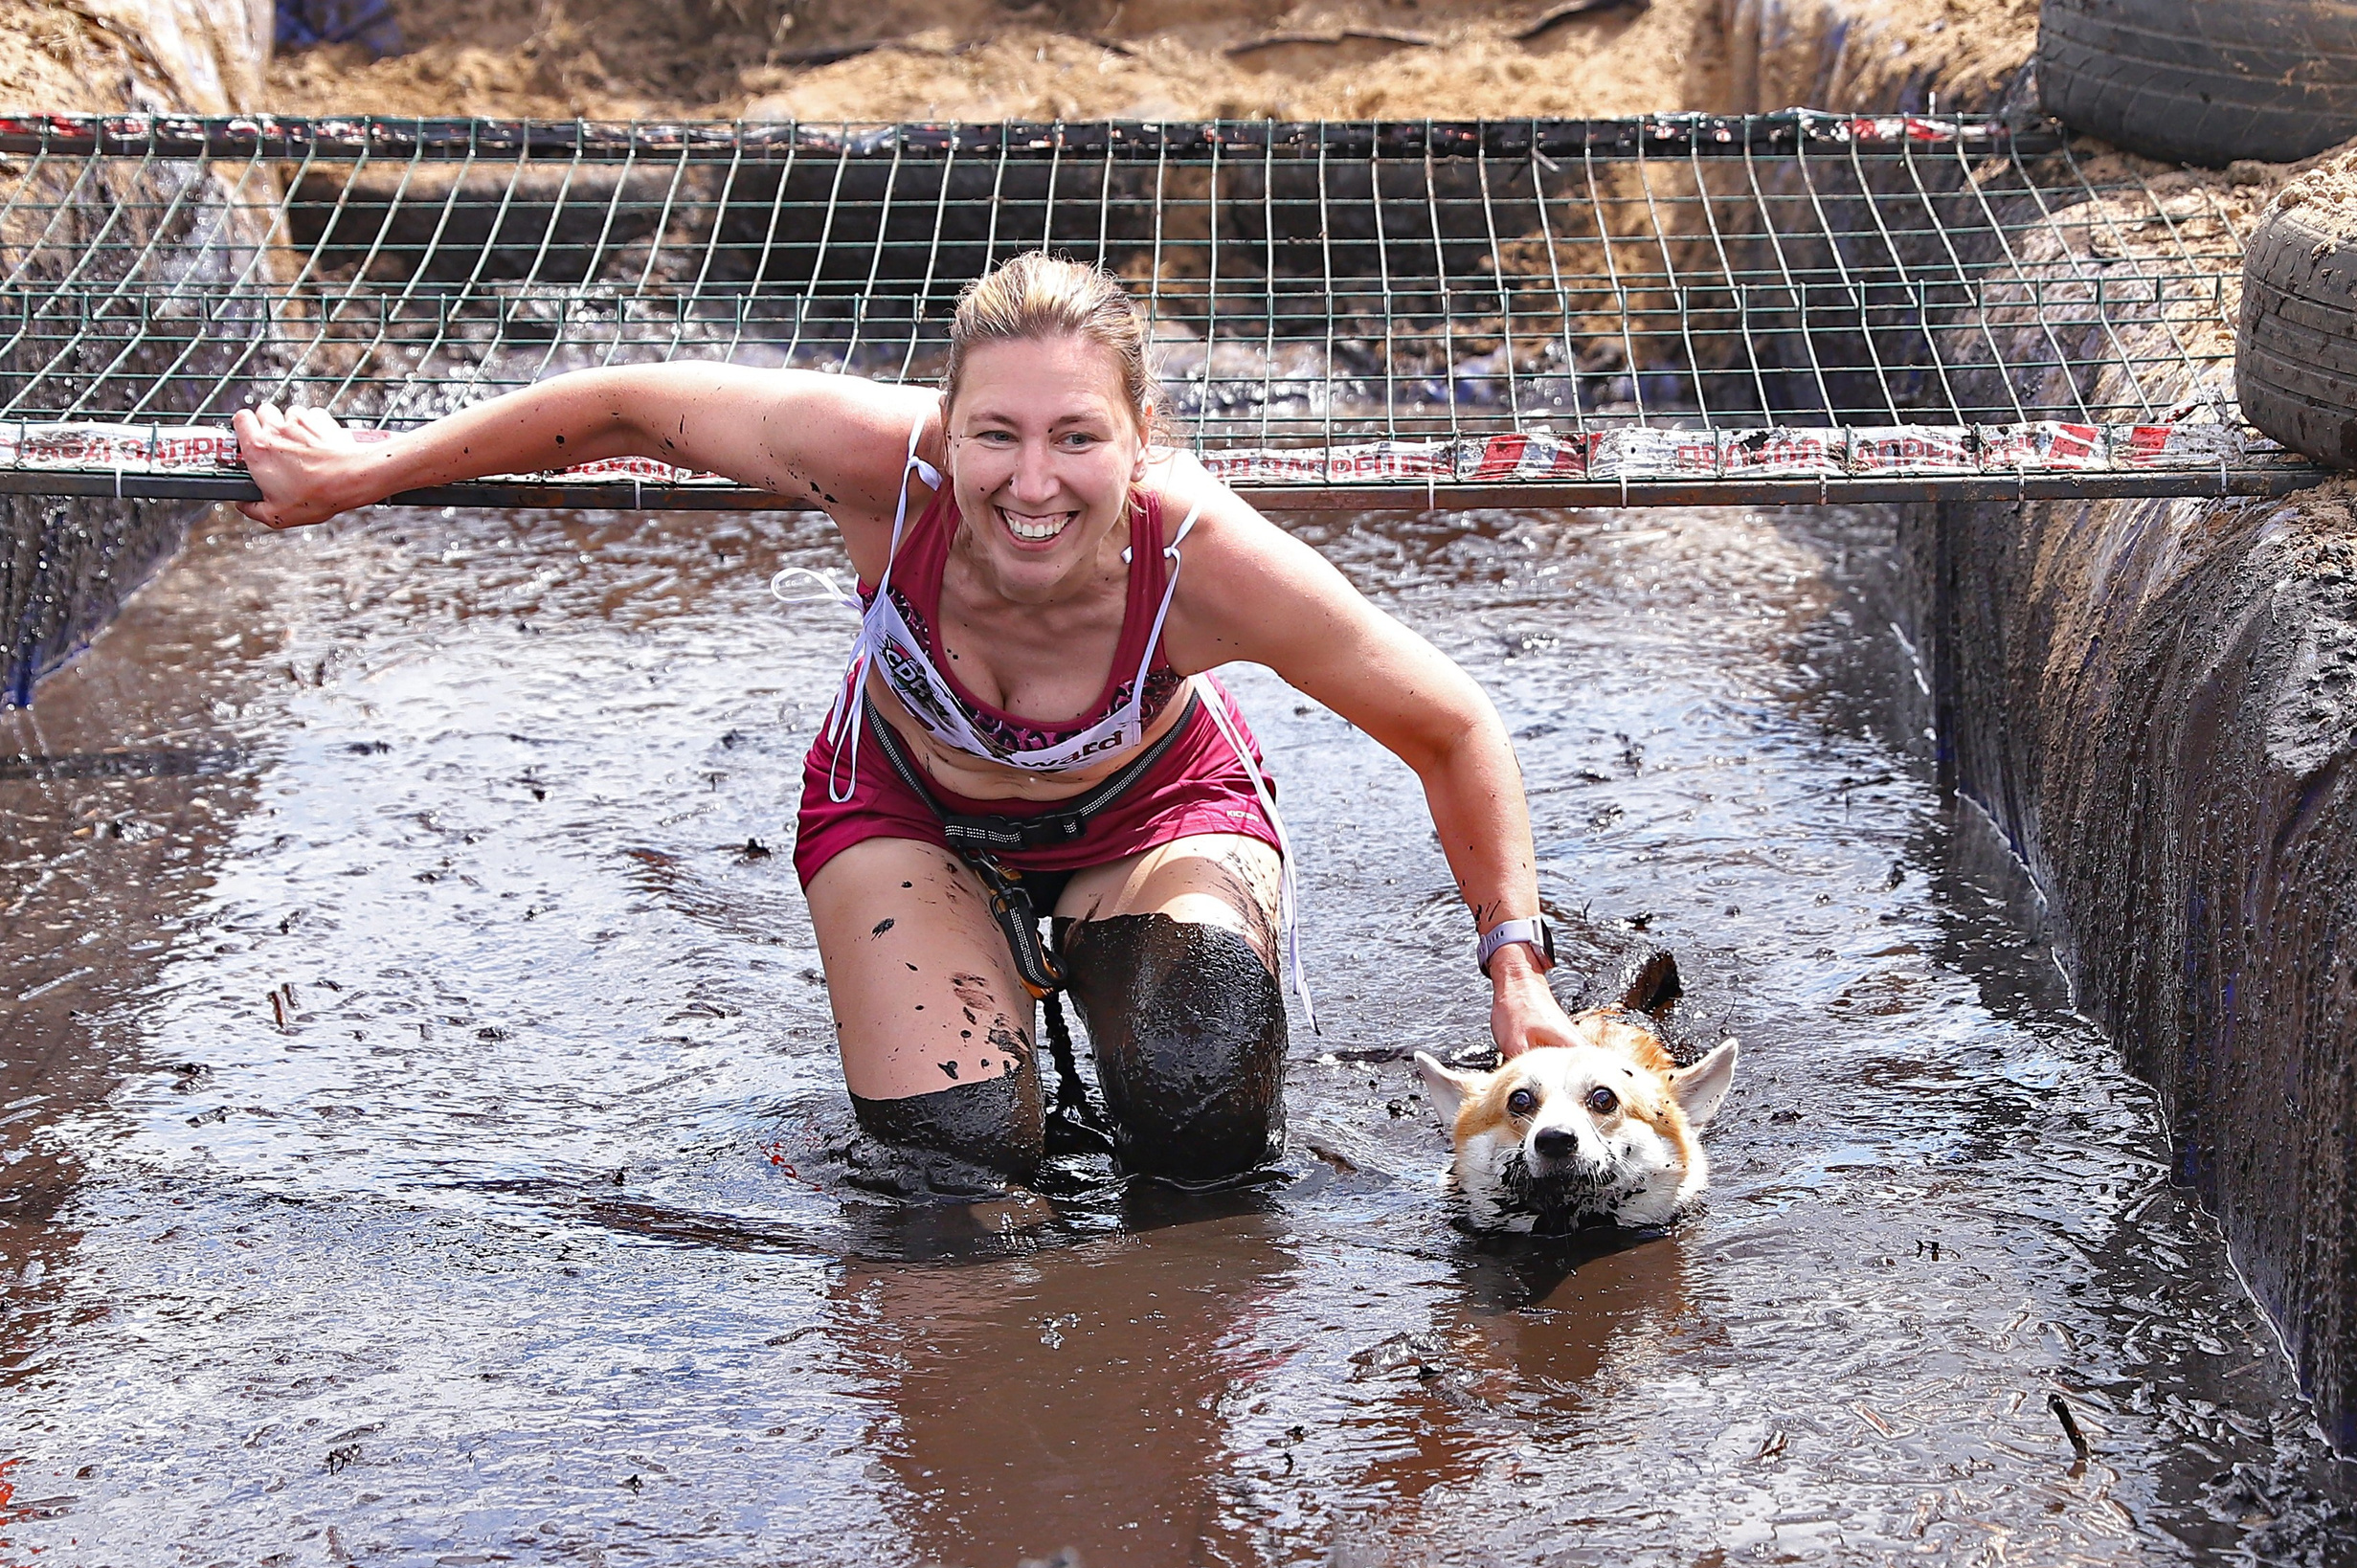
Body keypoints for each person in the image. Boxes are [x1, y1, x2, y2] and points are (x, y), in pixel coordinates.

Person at [233, 251, 1579, 1195]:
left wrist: (1514, 970)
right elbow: (624, 404)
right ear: (944, 427)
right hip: (908, 811)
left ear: (1140, 440)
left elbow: (1451, 727)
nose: (1032, 483)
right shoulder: (875, 461)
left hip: (1152, 817)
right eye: (997, 435)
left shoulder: (1211, 563)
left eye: (1077, 438)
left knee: (1199, 1109)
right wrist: (367, 472)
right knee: (958, 1165)